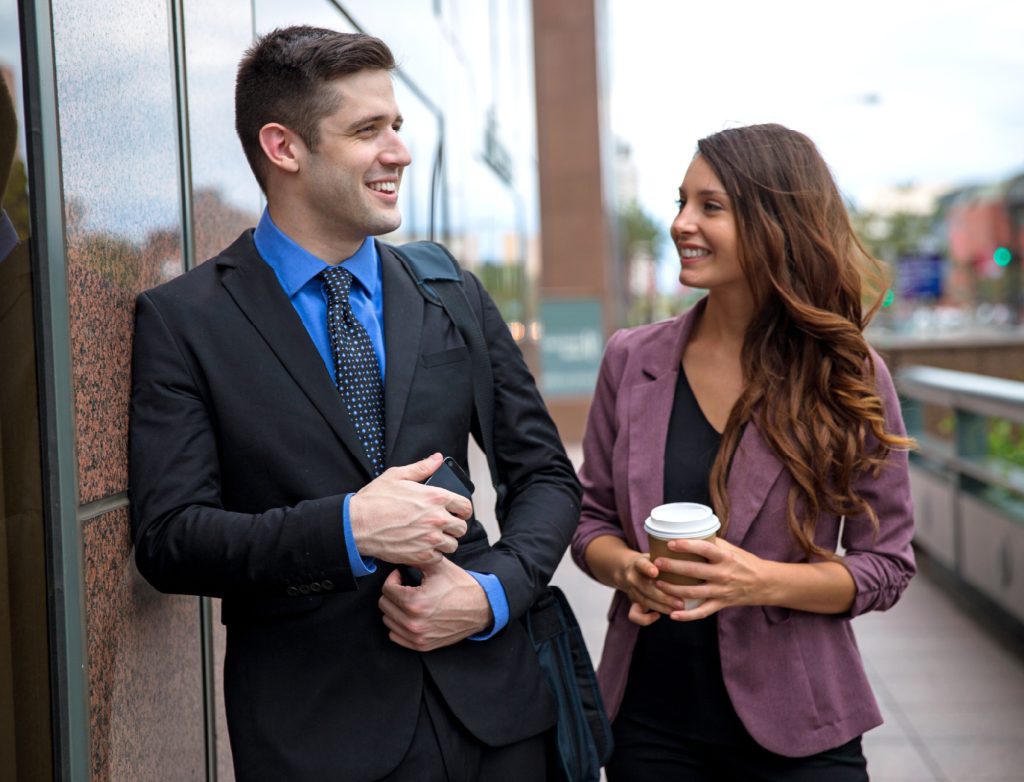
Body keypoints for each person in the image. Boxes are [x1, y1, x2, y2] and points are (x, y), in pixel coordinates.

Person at [129, 26, 580, 782]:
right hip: (319, 740)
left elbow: (546, 477)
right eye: (368, 130)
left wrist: (492, 592)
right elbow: (172, 538)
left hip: (498, 725)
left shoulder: (451, 293)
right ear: (284, 148)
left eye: (397, 126)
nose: (398, 151)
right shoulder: (184, 320)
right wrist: (347, 528)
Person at [571, 123, 916, 780]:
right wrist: (629, 570)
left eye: (710, 206)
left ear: (775, 222)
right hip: (650, 720)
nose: (681, 224)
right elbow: (591, 521)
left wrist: (758, 582)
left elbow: (887, 566)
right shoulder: (631, 360)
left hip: (803, 728)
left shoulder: (848, 374)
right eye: (680, 201)